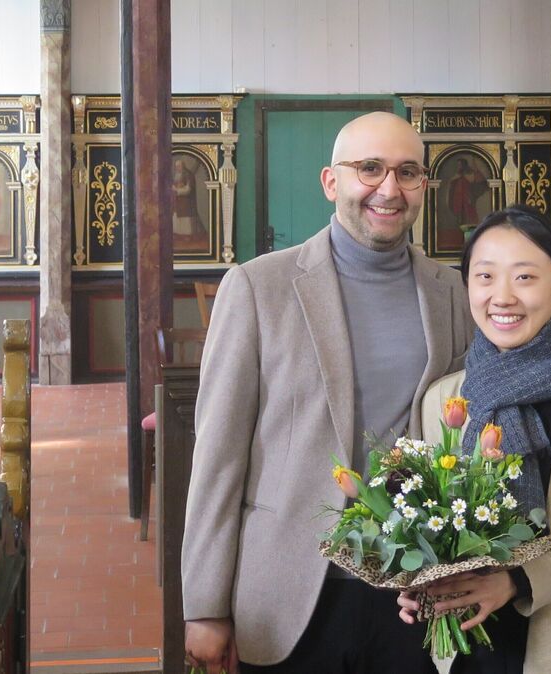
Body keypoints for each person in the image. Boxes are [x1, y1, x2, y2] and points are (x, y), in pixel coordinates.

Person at [182, 111, 473, 674]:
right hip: (293, 588)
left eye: (407, 172)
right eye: (370, 168)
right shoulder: (257, 287)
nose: (388, 189)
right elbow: (217, 457)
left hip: (414, 593)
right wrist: (205, 606)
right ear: (331, 181)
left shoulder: (453, 291)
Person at [396, 205, 551, 673]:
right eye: (484, 277)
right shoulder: (444, 398)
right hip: (464, 645)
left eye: (524, 278)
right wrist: (417, 580)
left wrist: (512, 583)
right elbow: (430, 520)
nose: (501, 297)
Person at [172, 157, 207, 248]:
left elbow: (188, 189)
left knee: (186, 219)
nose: (177, 168)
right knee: (177, 217)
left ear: (183, 166)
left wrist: (177, 190)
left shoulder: (188, 175)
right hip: (178, 202)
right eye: (176, 167)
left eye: (179, 166)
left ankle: (188, 236)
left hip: (187, 202)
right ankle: (179, 235)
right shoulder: (177, 174)